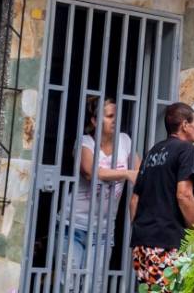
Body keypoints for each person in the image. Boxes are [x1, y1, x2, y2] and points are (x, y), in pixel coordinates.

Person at [130, 103, 194, 292]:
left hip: (141, 245)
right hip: (165, 244)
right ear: (185, 125)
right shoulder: (186, 150)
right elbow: (184, 195)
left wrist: (141, 232)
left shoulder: (152, 152)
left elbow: (134, 200)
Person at [68, 97, 137, 277]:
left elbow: (139, 172)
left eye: (117, 115)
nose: (115, 120)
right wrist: (125, 173)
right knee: (68, 283)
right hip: (74, 223)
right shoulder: (85, 142)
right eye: (109, 116)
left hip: (104, 229)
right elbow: (91, 172)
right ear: (95, 120)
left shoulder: (125, 141)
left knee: (94, 285)